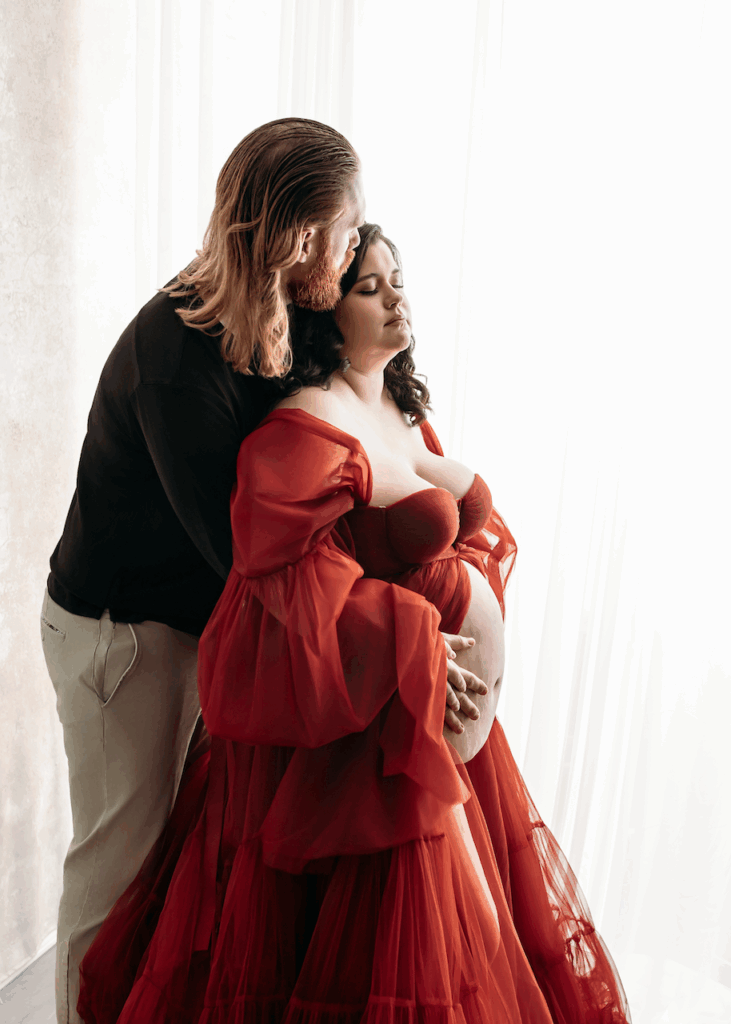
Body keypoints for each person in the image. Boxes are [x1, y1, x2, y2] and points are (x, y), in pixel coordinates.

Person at [77, 225, 632, 1023]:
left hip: (448, 728)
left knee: (482, 938)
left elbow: (448, 535)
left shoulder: (402, 412)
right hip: (379, 729)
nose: (396, 295)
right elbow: (287, 583)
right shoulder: (303, 428)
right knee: (415, 957)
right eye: (369, 288)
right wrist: (416, 642)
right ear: (324, 319)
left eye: (396, 278)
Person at [40, 116, 368, 1024]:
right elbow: (245, 551)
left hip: (189, 623)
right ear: (301, 237)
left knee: (168, 864)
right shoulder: (174, 358)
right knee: (117, 866)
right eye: (346, 231)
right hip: (124, 639)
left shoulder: (285, 310)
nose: (353, 251)